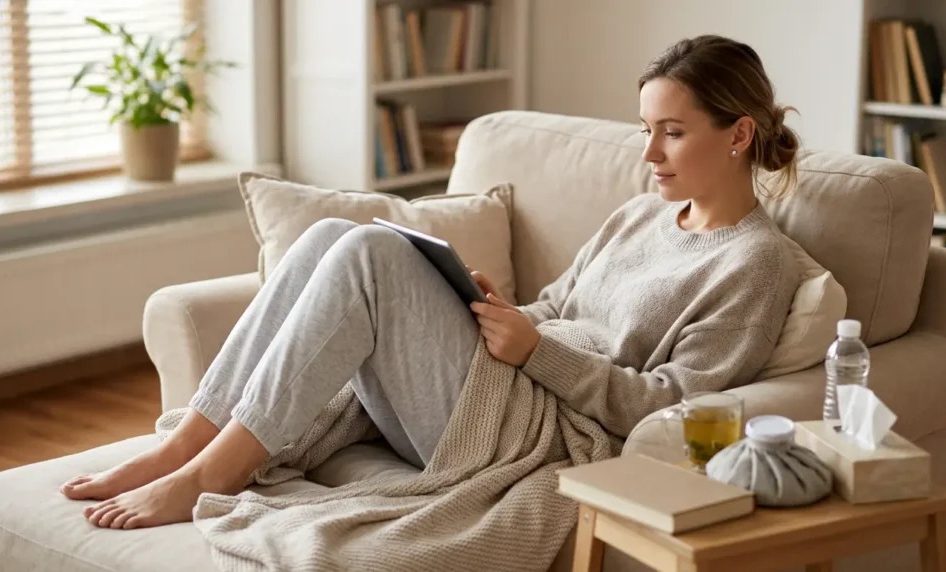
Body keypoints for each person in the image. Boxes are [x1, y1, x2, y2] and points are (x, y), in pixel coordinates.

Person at [60, 34, 802, 530]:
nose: (649, 153)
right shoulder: (643, 215)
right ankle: (184, 444)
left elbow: (676, 408)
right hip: (508, 375)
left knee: (370, 258)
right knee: (331, 237)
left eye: (671, 132)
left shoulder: (756, 262)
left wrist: (534, 351)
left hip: (544, 431)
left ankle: (207, 477)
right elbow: (558, 306)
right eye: (645, 129)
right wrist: (505, 310)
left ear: (737, 135)